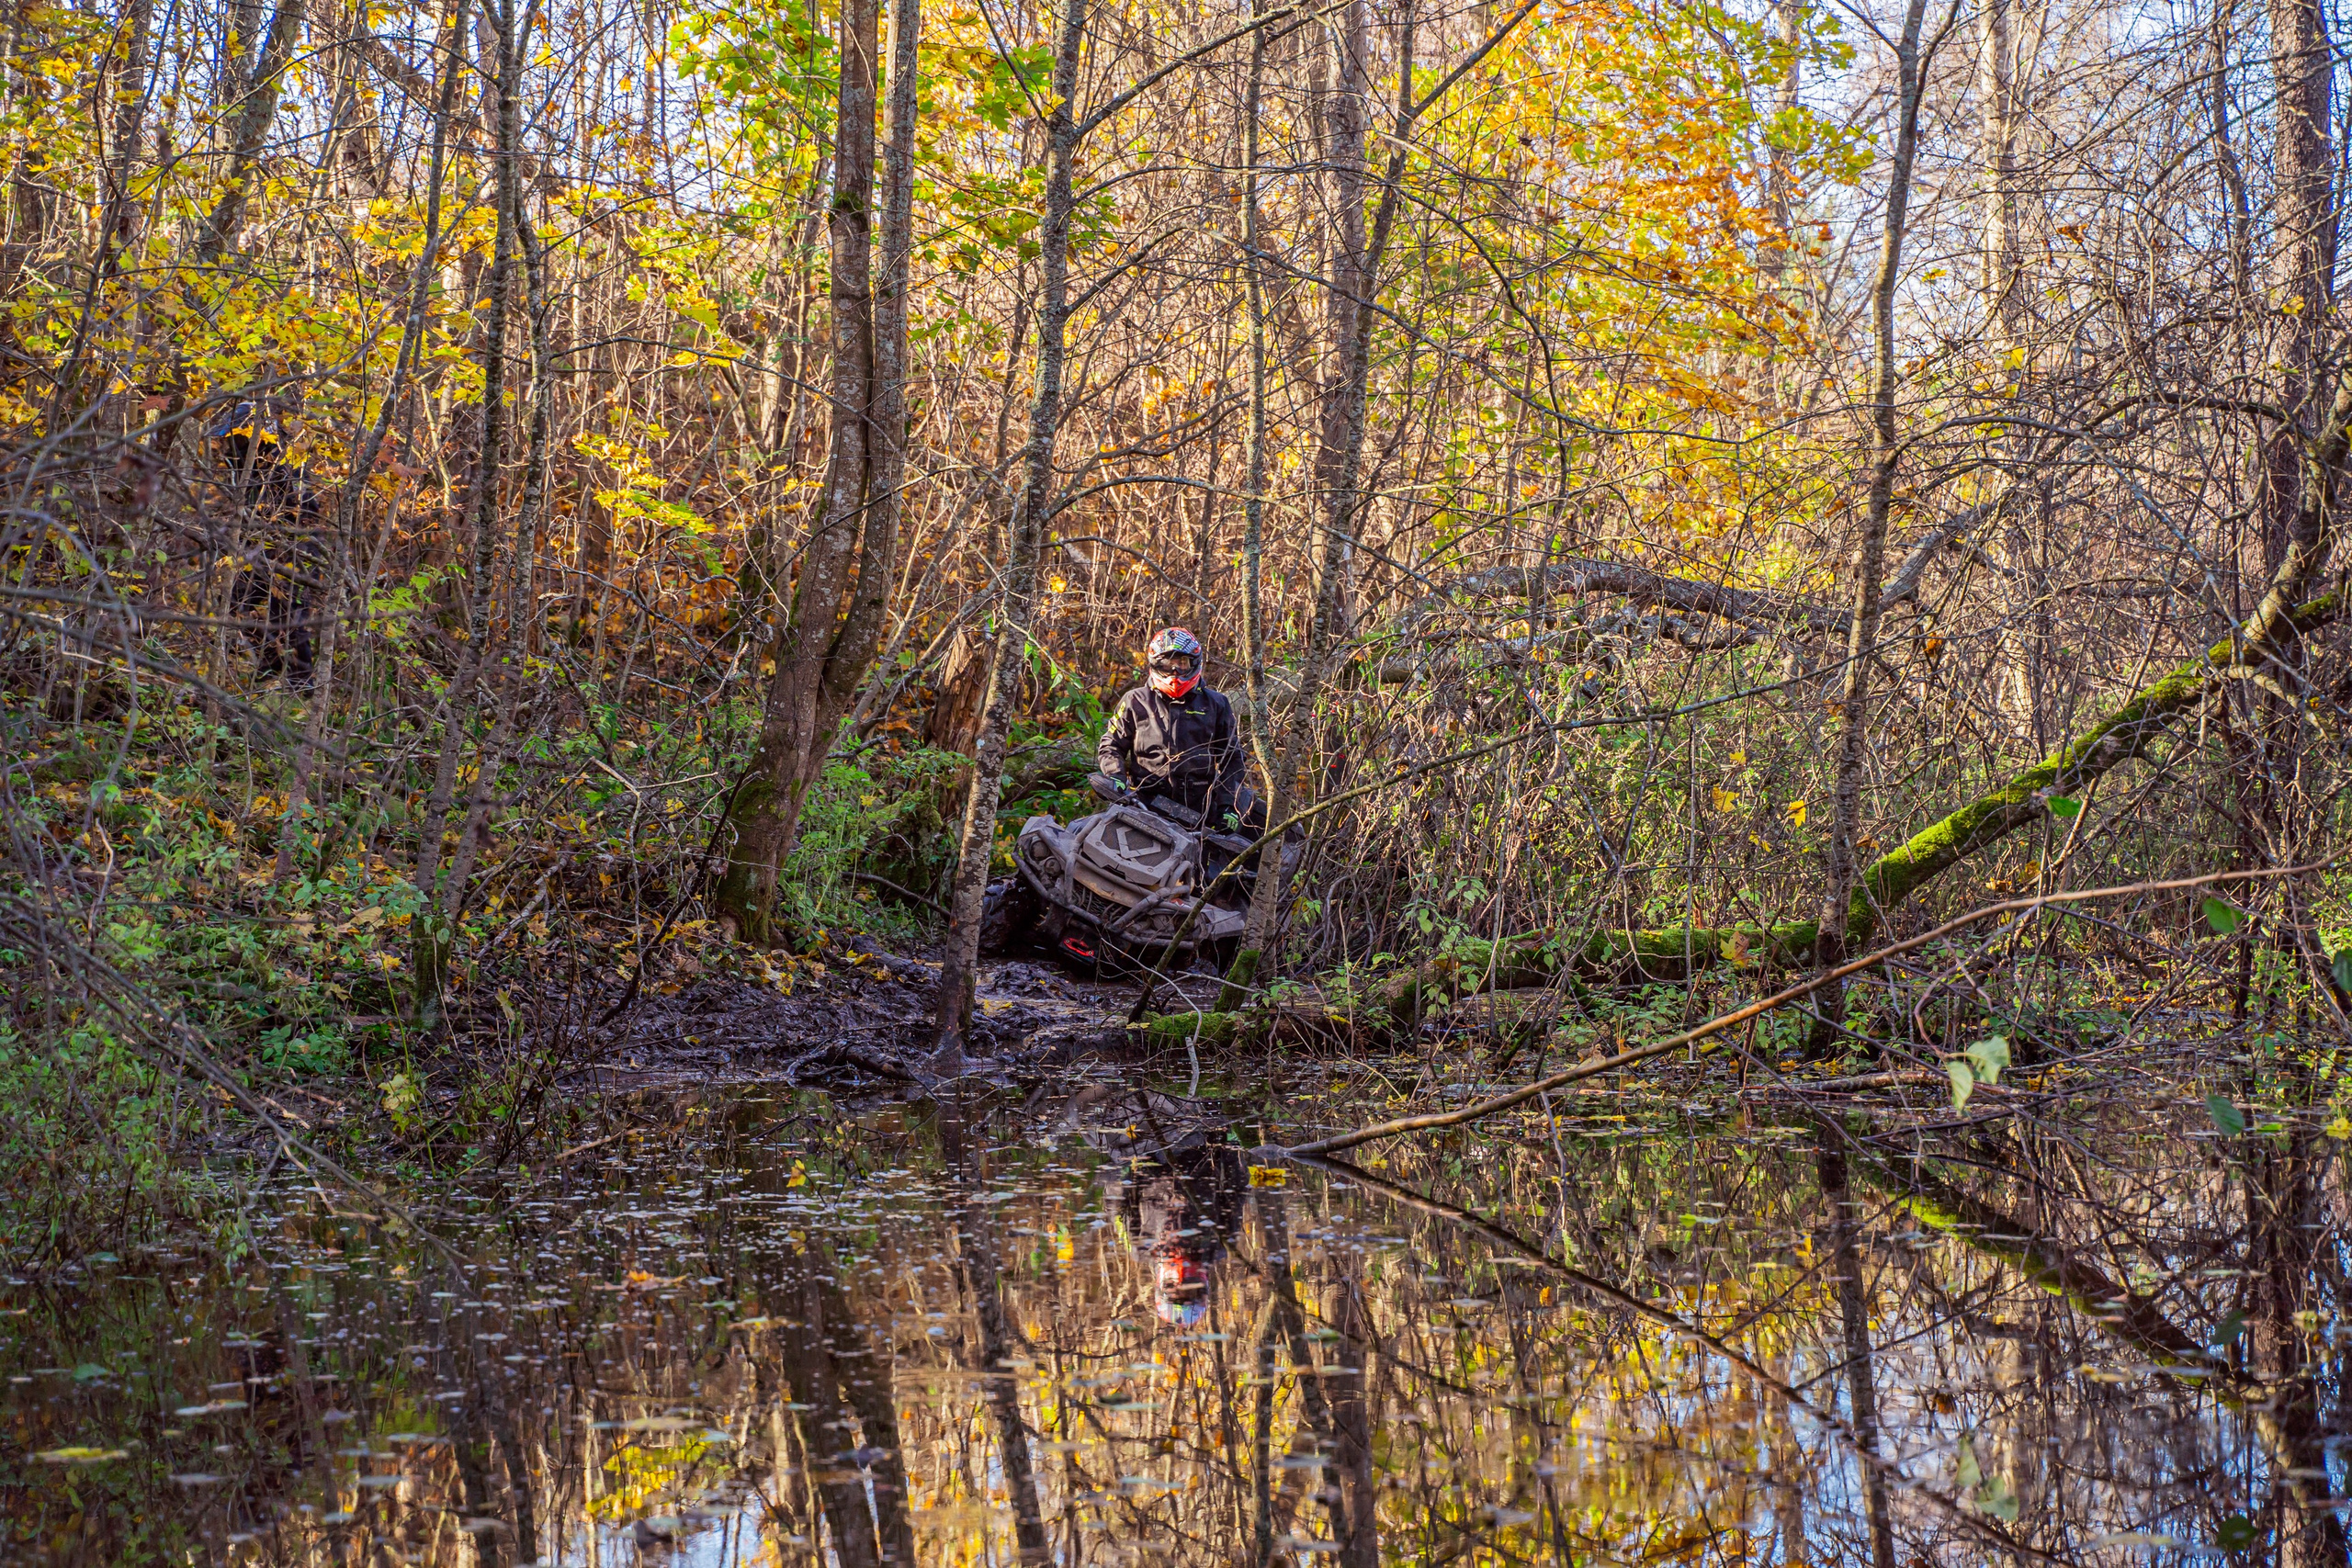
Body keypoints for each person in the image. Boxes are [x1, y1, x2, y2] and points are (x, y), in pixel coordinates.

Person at [1096, 626, 1259, 830]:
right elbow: (1111, 744)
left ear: (1194, 663)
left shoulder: (1216, 704)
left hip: (1198, 812)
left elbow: (1232, 758)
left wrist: (1229, 805)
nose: (1175, 671)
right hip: (1144, 806)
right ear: (1156, 663)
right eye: (1167, 664)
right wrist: (1114, 777)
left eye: (1182, 663)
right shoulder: (1135, 701)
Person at [213, 400, 318, 688]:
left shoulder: (282, 461)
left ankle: (302, 683)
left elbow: (306, 509)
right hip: (260, 547)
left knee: (288, 613)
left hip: (294, 547)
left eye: (234, 438)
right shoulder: (247, 465)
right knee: (235, 602)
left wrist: (282, 538)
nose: (228, 447)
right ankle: (270, 663)